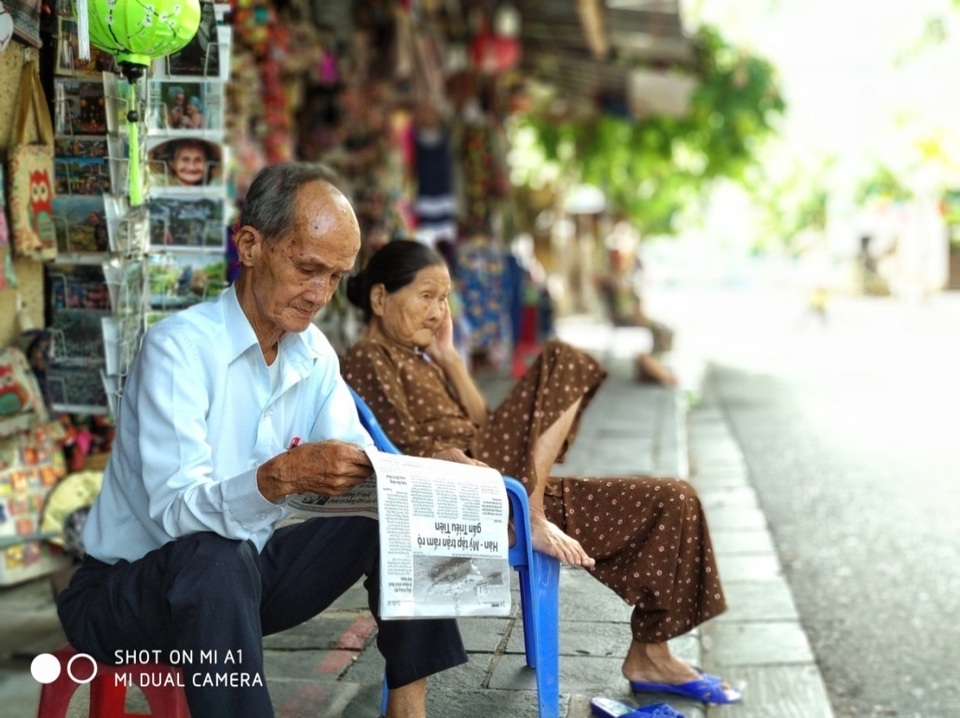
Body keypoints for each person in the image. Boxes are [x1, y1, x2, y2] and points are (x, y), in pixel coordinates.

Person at [56, 164, 466, 718]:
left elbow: (355, 463)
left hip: (244, 581)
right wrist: (274, 480)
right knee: (212, 556)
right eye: (307, 268)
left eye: (335, 277)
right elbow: (177, 516)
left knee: (399, 508)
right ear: (250, 245)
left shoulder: (313, 352)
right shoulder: (178, 350)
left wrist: (415, 475)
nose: (320, 293)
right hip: (129, 591)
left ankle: (408, 709)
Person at [342, 240, 741, 705]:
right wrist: (464, 464)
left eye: (445, 297)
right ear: (379, 298)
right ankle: (530, 515)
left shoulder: (425, 359)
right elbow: (403, 450)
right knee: (563, 362)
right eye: (427, 295)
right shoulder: (367, 359)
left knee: (675, 498)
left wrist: (452, 361)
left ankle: (650, 654)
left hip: (503, 481)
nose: (438, 311)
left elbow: (483, 424)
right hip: (462, 490)